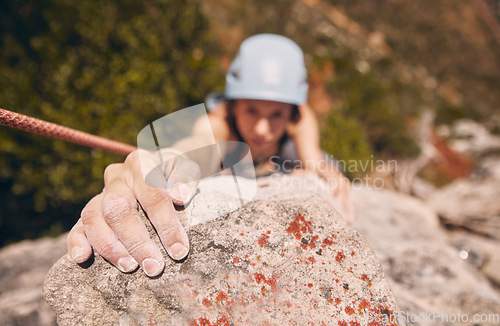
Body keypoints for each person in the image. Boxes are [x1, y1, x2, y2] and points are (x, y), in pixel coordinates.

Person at [67, 34, 353, 278]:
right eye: (252, 110)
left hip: (282, 159)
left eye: (277, 114)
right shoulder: (218, 126)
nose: (263, 129)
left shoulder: (300, 121)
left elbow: (313, 161)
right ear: (234, 105)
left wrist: (327, 174)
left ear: (292, 114)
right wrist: (159, 165)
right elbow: (196, 146)